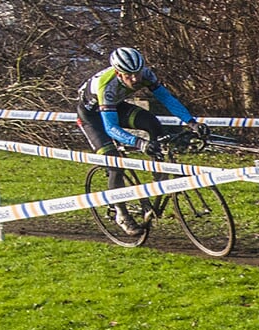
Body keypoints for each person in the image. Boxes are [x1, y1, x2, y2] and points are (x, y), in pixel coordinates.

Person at [76, 47, 200, 230]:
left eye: (137, 74)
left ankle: (159, 173)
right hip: (91, 118)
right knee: (115, 164)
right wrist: (139, 143)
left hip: (115, 107)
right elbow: (110, 127)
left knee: (152, 122)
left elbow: (167, 99)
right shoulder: (106, 85)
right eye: (129, 76)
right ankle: (122, 213)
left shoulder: (145, 74)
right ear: (118, 73)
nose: (135, 79)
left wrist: (191, 122)